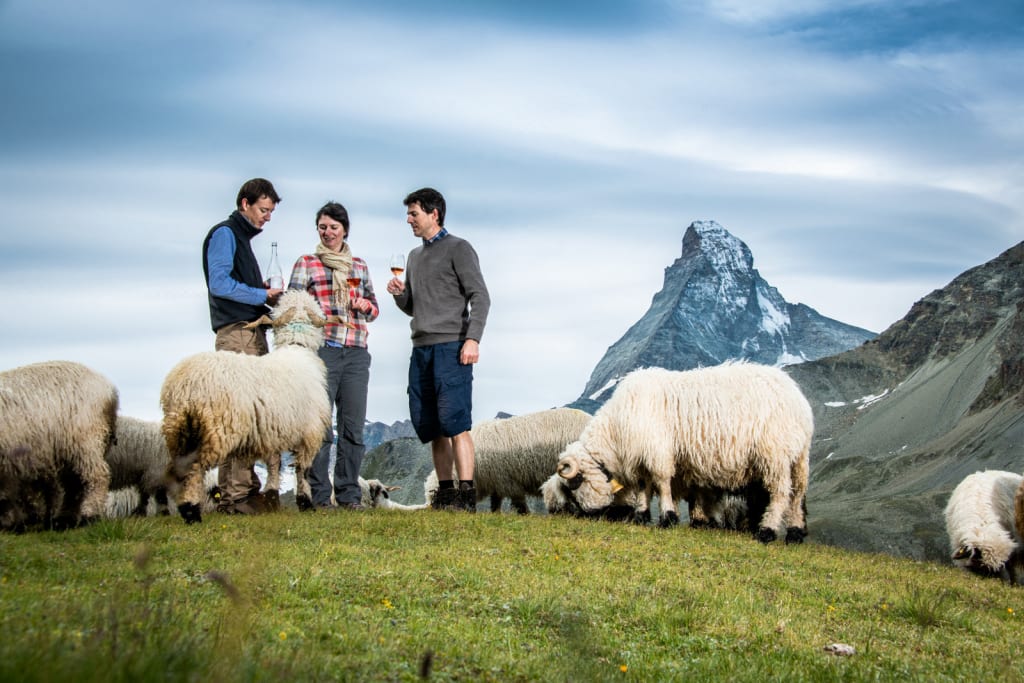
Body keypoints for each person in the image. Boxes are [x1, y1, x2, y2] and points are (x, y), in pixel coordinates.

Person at [386, 187, 490, 512]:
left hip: (452, 348)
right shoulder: (415, 257)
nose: (409, 220)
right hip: (421, 350)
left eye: (413, 214)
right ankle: (444, 497)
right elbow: (415, 307)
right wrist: (400, 295)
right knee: (431, 425)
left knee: (455, 422)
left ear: (434, 213)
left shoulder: (459, 248)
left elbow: (480, 296)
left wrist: (473, 339)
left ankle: (466, 497)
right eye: (408, 214)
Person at [202, 177, 284, 515]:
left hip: (249, 332)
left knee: (251, 416)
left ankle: (246, 490)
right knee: (239, 415)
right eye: (263, 210)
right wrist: (261, 295)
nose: (267, 217)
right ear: (244, 204)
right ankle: (234, 498)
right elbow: (219, 282)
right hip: (237, 334)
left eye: (270, 212)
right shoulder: (225, 234)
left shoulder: (241, 239)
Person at [289, 201, 379, 510]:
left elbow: (373, 307)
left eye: (333, 228)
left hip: (356, 351)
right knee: (321, 429)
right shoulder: (307, 263)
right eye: (322, 227)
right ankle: (318, 497)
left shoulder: (360, 266)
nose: (328, 233)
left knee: (353, 429)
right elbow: (293, 307)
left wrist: (366, 307)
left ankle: (349, 495)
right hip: (321, 352)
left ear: (345, 230)